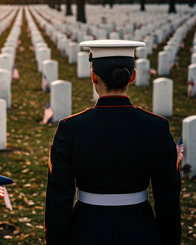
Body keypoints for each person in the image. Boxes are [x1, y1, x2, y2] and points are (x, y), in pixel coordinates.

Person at [45, 40, 181, 245]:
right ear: (132, 76)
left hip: (86, 230)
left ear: (93, 77)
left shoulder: (70, 128)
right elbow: (168, 197)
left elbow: (59, 198)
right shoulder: (157, 127)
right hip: (140, 229)